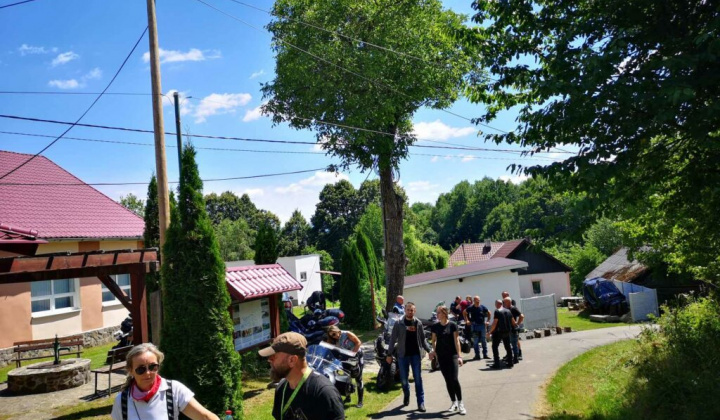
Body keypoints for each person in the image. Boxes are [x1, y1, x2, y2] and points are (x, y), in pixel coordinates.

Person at [111, 343, 219, 420]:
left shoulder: (173, 390)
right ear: (131, 371)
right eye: (141, 369)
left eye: (153, 367)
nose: (148, 373)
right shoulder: (122, 400)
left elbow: (205, 417)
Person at [260, 332, 345, 420]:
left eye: (274, 356)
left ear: (292, 360)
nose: (269, 360)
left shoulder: (324, 392)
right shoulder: (281, 388)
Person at [386, 302, 433, 412]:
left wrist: (429, 350)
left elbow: (423, 339)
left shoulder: (418, 323)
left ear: (414, 311)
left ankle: (420, 403)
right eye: (408, 310)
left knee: (418, 379)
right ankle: (406, 394)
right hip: (402, 356)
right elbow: (393, 339)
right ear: (405, 310)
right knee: (404, 380)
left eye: (412, 310)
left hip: (415, 355)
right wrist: (389, 354)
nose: (410, 312)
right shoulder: (399, 323)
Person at [429, 305, 466, 415]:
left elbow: (457, 341)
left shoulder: (453, 325)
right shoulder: (435, 326)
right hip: (442, 356)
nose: (437, 315)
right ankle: (453, 402)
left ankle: (460, 403)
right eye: (437, 313)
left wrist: (459, 356)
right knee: (447, 380)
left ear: (444, 313)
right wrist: (434, 351)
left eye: (439, 313)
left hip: (453, 355)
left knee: (454, 379)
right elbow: (433, 340)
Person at [325, 325, 364, 408]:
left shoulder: (347, 334)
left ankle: (360, 401)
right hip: (345, 358)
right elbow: (328, 348)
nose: (335, 336)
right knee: (346, 377)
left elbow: (358, 343)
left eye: (335, 333)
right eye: (332, 335)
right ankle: (348, 396)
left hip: (356, 355)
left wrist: (353, 354)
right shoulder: (332, 340)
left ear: (338, 331)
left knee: (358, 378)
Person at [487, 299, 516, 369]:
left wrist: (490, 332)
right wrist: (514, 326)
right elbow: (513, 321)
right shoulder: (508, 311)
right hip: (507, 331)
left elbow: (495, 323)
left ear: (497, 304)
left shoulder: (497, 311)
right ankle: (510, 363)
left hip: (498, 332)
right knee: (508, 347)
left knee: (494, 347)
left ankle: (497, 364)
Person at [463, 296, 490, 360]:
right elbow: (464, 312)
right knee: (475, 341)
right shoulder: (471, 307)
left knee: (484, 340)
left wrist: (488, 321)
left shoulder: (482, 307)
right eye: (476, 301)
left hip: (482, 325)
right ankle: (477, 355)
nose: (478, 302)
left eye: (478, 301)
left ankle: (485, 354)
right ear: (474, 301)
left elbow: (489, 312)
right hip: (474, 325)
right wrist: (466, 320)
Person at [501, 291, 522, 358]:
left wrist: (517, 323)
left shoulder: (512, 302)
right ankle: (509, 354)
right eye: (503, 295)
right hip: (506, 325)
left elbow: (516, 313)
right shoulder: (503, 302)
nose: (504, 297)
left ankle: (519, 353)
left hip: (513, 324)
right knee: (508, 341)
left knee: (515, 340)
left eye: (505, 295)